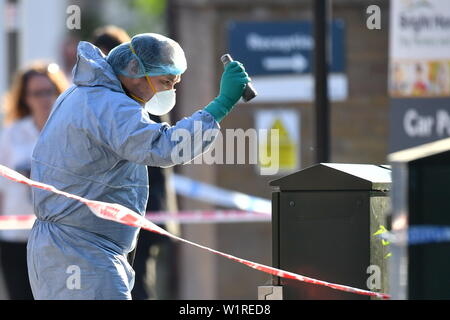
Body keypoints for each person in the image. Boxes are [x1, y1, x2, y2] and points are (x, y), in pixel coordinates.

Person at [27, 33, 250, 299]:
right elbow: (165, 146)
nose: (169, 91)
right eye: (164, 81)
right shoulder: (109, 104)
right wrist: (221, 105)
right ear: (134, 72)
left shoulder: (85, 93)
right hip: (82, 253)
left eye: (174, 83)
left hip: (70, 249)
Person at [91, 25, 177, 299]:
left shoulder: (142, 99)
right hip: (118, 216)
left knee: (136, 284)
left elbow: (159, 152)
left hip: (142, 213)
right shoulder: (105, 101)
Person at [0, 62, 68, 299]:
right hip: (16, 237)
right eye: (37, 93)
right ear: (25, 98)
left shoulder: (70, 132)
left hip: (58, 238)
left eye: (49, 91)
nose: (44, 99)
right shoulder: (12, 134)